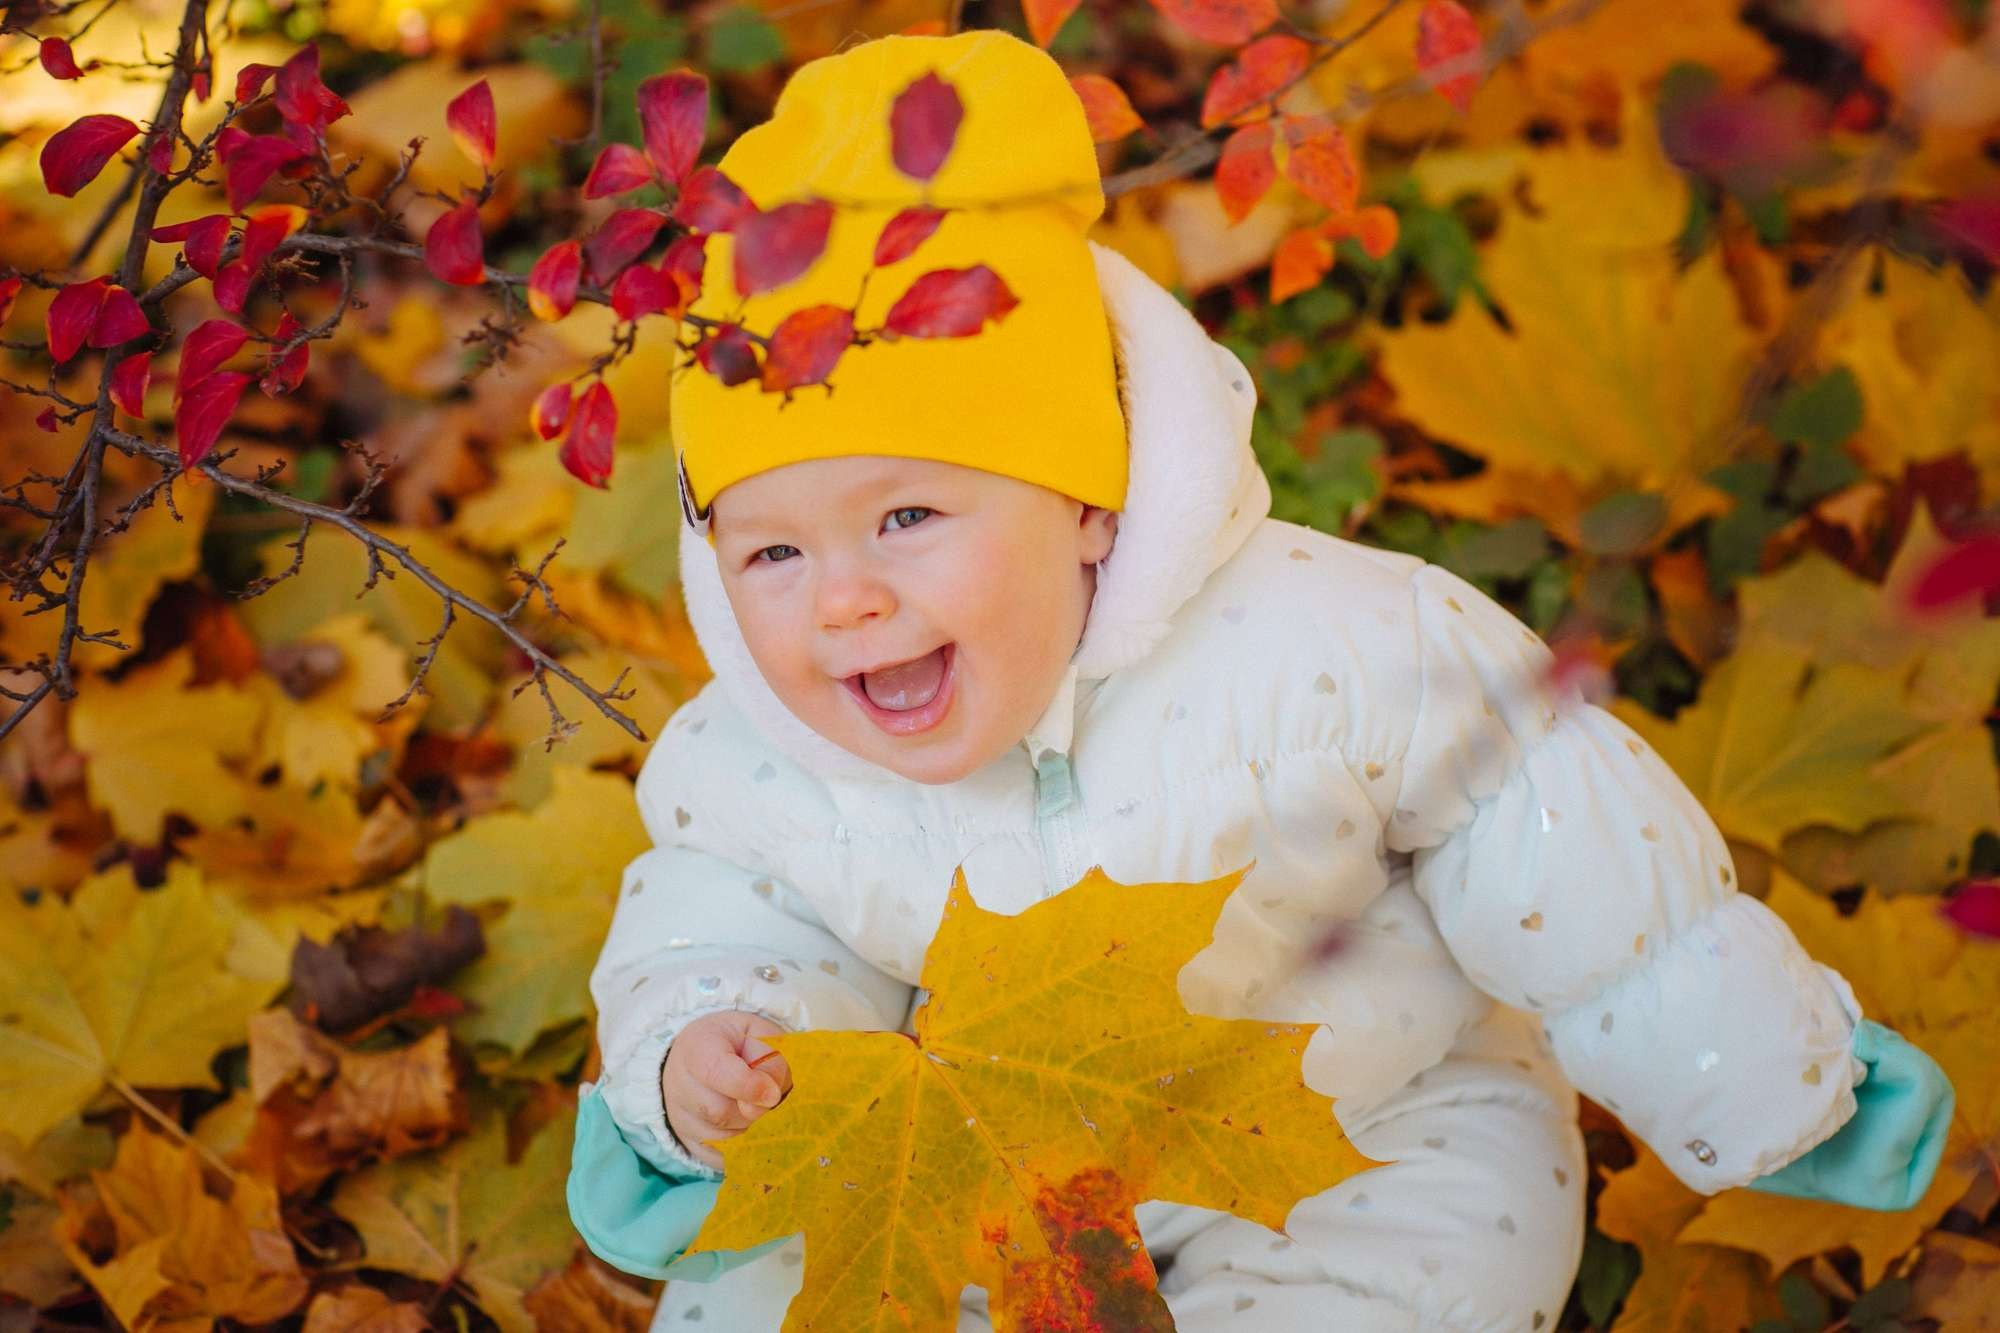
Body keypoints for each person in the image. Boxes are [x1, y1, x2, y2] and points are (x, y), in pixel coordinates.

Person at [566, 28, 1954, 1333]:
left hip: (1362, 1120)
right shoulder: (753, 763)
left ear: (1089, 498)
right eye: (772, 552)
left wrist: (1762, 1073)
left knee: (1438, 1258)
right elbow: (713, 929)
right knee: (780, 1297)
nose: (844, 597)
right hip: (983, 1172)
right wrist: (712, 1055)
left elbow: (1567, 849)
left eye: (909, 519)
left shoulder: (1334, 646)